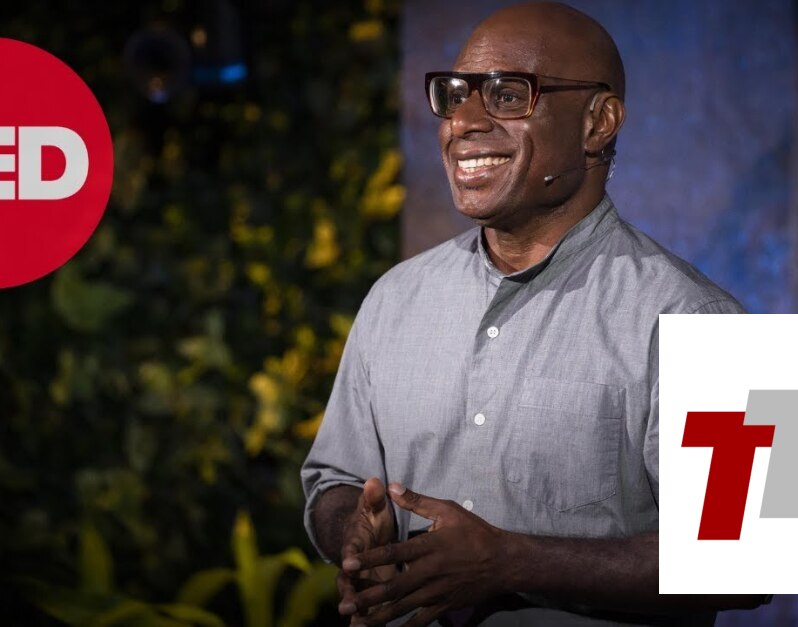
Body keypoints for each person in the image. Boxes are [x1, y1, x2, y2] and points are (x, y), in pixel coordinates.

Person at [301, 3, 769, 625]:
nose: (463, 122)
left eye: (507, 94)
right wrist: (357, 535)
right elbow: (332, 480)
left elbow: (746, 559)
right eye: (455, 95)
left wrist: (510, 562)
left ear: (598, 122)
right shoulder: (395, 299)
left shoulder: (697, 319)